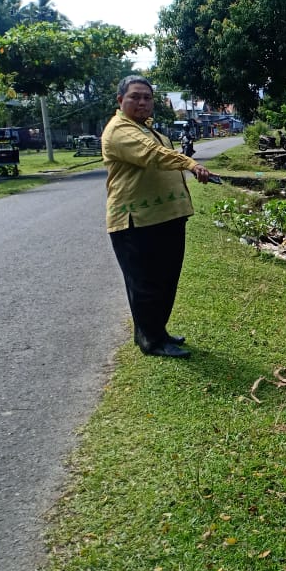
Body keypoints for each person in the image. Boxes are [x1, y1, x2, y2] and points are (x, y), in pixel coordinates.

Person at [102, 75, 214, 358]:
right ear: (120, 101)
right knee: (145, 283)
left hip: (165, 217)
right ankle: (150, 341)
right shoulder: (120, 130)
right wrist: (190, 162)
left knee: (166, 279)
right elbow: (154, 156)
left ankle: (157, 330)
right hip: (136, 221)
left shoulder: (148, 129)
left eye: (147, 97)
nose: (142, 102)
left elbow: (161, 154)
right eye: (135, 97)